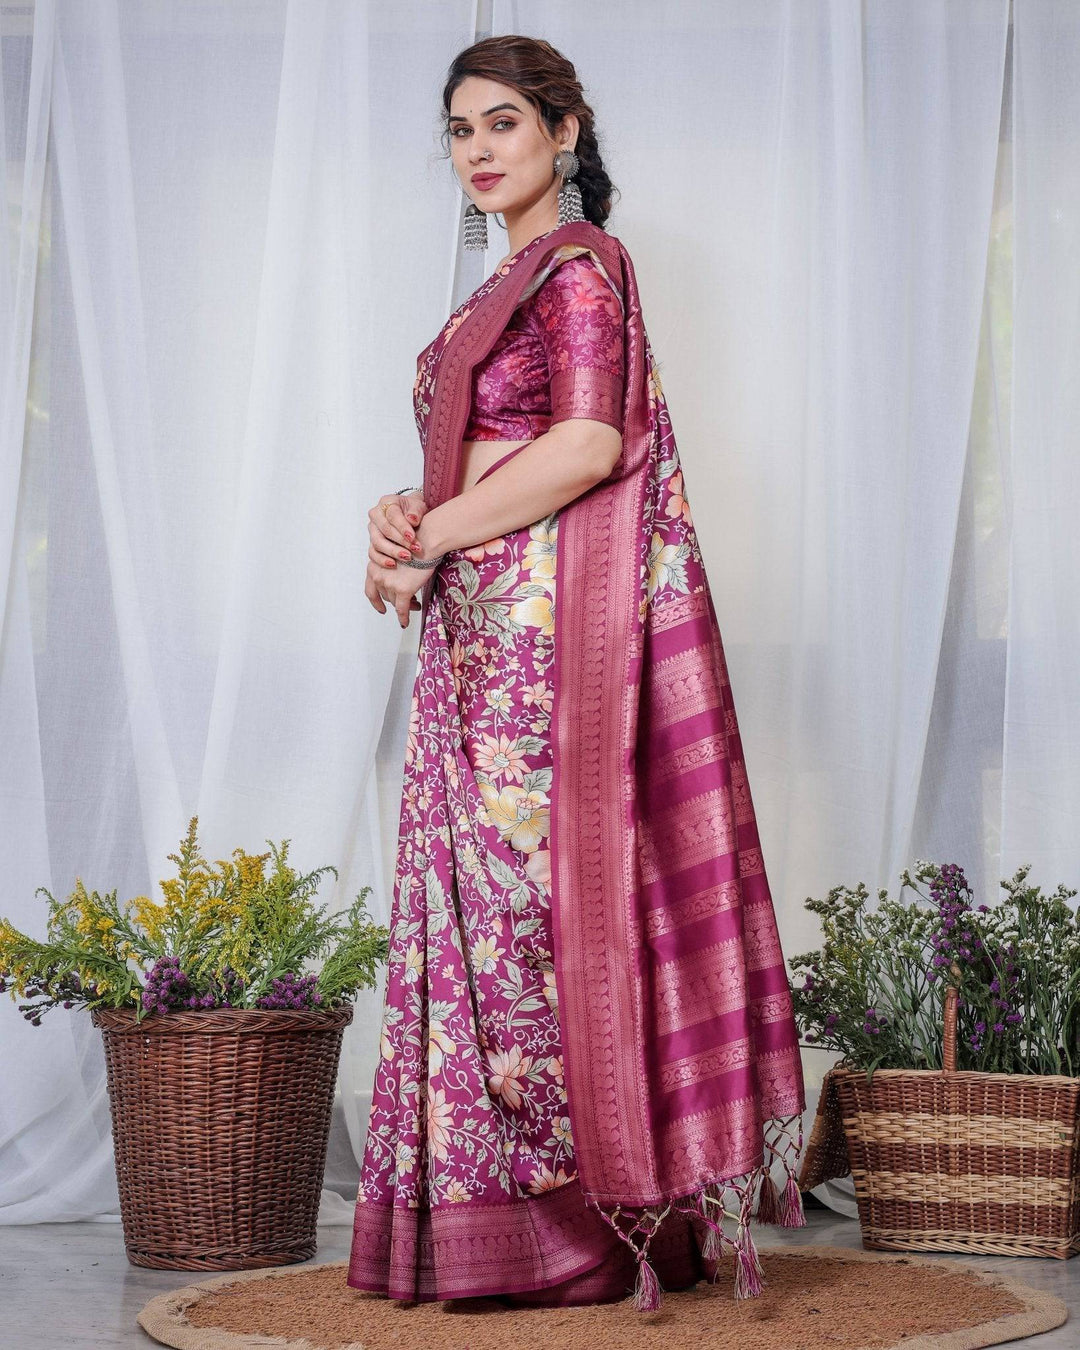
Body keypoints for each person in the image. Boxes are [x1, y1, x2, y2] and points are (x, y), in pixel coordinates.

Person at [348, 34, 807, 1314]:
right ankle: (497, 1212)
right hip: (481, 634)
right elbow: (482, 464)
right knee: (486, 918)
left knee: (539, 919)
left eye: (504, 124)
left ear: (564, 132)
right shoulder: (488, 296)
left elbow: (591, 440)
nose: (480, 150)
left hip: (550, 652)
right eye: (460, 130)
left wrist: (434, 529)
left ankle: (584, 1227)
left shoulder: (583, 267)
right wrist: (402, 522)